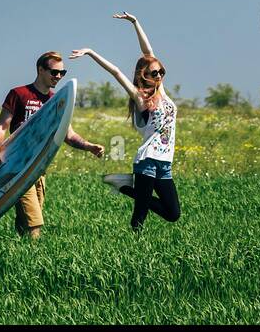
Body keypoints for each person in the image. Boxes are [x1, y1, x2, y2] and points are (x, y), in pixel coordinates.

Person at [71, 12, 179, 230]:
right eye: (155, 73)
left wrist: (135, 22)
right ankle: (136, 242)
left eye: (161, 71)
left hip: (165, 163)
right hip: (147, 161)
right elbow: (116, 72)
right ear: (145, 75)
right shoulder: (141, 98)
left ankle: (124, 186)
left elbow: (148, 52)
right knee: (139, 216)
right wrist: (91, 52)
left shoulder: (163, 93)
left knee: (173, 213)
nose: (159, 75)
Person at [0, 51, 105, 239]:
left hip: (39, 168)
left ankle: (19, 256)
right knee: (35, 221)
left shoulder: (55, 101)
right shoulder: (18, 94)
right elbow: (2, 127)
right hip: (17, 168)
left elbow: (68, 134)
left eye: (62, 73)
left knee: (25, 220)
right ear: (40, 70)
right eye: (54, 72)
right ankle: (35, 259)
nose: (58, 77)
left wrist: (89, 146)